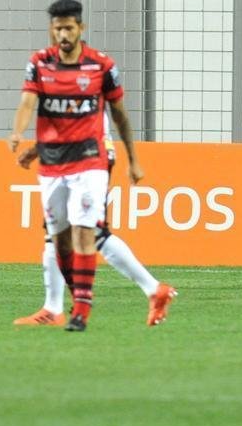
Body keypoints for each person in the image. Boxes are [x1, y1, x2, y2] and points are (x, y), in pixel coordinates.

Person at [8, 0, 147, 332]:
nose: (63, 34)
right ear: (51, 30)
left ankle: (81, 309)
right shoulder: (39, 63)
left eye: (69, 27)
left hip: (90, 160)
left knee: (88, 232)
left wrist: (134, 159)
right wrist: (18, 132)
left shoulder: (101, 66)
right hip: (53, 163)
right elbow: (29, 101)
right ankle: (67, 301)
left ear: (81, 28)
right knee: (59, 239)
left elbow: (120, 114)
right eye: (57, 28)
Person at [13, 111, 176, 328]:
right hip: (74, 154)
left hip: (88, 156)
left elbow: (76, 117)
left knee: (93, 233)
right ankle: (52, 308)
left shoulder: (80, 80)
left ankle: (153, 289)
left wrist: (35, 150)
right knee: (57, 232)